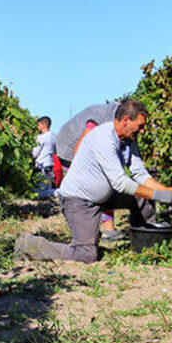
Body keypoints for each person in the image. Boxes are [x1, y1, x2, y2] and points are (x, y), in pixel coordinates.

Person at [14, 100, 172, 264]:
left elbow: (139, 172)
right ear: (126, 120)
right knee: (86, 254)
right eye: (140, 126)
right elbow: (120, 182)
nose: (143, 131)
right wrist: (158, 195)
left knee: (142, 196)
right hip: (79, 202)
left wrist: (165, 191)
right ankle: (30, 245)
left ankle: (145, 242)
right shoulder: (104, 138)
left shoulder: (129, 139)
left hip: (104, 197)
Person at [55, 101, 122, 241]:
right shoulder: (101, 117)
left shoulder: (114, 115)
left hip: (76, 146)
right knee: (92, 186)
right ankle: (103, 230)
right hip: (69, 147)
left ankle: (94, 230)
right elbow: (78, 150)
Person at [31, 116, 56, 190]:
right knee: (48, 188)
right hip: (50, 164)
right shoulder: (53, 137)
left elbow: (35, 153)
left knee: (39, 190)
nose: (37, 127)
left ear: (43, 125)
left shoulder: (41, 137)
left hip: (41, 165)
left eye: (38, 125)